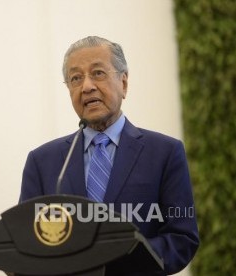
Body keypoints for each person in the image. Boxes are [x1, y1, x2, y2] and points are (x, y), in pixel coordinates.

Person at [19, 36, 199, 275]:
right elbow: (25, 243)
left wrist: (118, 255)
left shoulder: (165, 153)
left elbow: (181, 239)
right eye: (75, 78)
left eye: (98, 73)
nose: (87, 86)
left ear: (123, 83)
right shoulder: (42, 162)